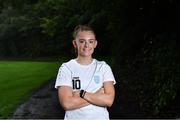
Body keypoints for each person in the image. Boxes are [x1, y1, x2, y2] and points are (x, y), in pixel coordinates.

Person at [55, 25, 116, 120]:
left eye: (90, 41)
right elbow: (67, 104)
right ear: (75, 43)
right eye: (82, 41)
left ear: (95, 44)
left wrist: (81, 93)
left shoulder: (103, 67)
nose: (87, 45)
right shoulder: (66, 68)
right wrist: (97, 95)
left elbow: (109, 100)